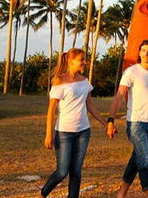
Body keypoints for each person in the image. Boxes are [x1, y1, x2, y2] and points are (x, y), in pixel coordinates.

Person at [41, 48, 109, 198]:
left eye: (85, 59)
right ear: (71, 61)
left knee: (76, 172)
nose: (85, 62)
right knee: (62, 172)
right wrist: (48, 135)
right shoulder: (59, 81)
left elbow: (90, 106)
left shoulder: (85, 81)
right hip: (64, 132)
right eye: (81, 60)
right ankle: (43, 194)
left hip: (83, 131)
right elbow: (51, 110)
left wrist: (105, 124)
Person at [108, 39, 148, 198]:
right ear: (139, 53)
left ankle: (121, 193)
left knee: (136, 159)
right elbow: (119, 97)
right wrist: (111, 120)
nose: (147, 53)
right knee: (145, 160)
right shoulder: (131, 72)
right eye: (143, 50)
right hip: (136, 123)